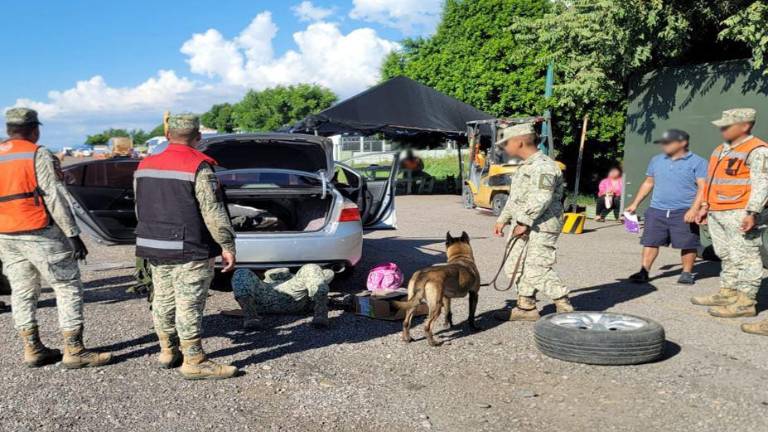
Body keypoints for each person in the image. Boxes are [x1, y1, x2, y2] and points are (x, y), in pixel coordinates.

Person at [0, 107, 112, 369]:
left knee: (22, 291)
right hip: (40, 231)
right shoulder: (38, 154)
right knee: (67, 285)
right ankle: (74, 350)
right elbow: (54, 195)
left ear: (8, 130)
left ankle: (33, 348)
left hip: (6, 233)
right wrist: (73, 234)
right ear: (34, 129)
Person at [134, 113, 238, 380]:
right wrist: (227, 244)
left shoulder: (145, 163)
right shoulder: (198, 166)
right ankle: (194, 360)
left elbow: (140, 204)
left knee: (163, 298)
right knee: (189, 302)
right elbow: (213, 212)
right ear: (199, 137)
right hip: (188, 246)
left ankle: (168, 350)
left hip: (153, 244)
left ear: (168, 135)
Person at [691, 109, 768, 328]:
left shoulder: (758, 150)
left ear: (744, 126)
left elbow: (763, 184)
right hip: (717, 211)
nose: (721, 129)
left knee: (747, 257)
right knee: (727, 254)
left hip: (740, 212)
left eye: (727, 126)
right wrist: (705, 205)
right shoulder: (721, 149)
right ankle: (728, 293)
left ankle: (745, 303)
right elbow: (712, 181)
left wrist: (753, 212)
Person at [492, 123, 573, 321]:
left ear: (519, 142)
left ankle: (564, 306)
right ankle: (526, 307)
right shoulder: (525, 166)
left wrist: (525, 222)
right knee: (514, 266)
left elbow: (542, 197)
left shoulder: (544, 166)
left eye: (505, 144)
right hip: (523, 222)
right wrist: (503, 219)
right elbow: (516, 198)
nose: (504, 148)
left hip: (541, 225)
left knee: (536, 268)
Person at [625, 129, 708, 285]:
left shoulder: (698, 162)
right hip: (657, 209)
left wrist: (694, 209)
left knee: (688, 243)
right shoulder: (656, 160)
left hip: (683, 210)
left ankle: (686, 273)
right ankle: (644, 271)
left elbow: (703, 188)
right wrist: (635, 204)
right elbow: (649, 182)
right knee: (650, 241)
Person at [231, 265, 334, 329]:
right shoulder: (264, 284)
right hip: (287, 296)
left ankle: (250, 317)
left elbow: (328, 274)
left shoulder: (259, 284)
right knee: (311, 268)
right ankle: (320, 313)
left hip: (267, 300)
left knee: (241, 272)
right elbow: (327, 274)